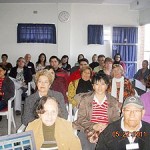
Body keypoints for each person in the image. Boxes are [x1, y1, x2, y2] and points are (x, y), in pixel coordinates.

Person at [73, 73, 120, 150]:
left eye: (103, 84)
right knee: (86, 146)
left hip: (107, 130)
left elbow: (116, 119)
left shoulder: (113, 101)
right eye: (97, 84)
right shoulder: (85, 99)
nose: (100, 87)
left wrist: (107, 127)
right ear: (93, 86)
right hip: (87, 129)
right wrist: (94, 126)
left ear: (107, 85)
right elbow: (81, 118)